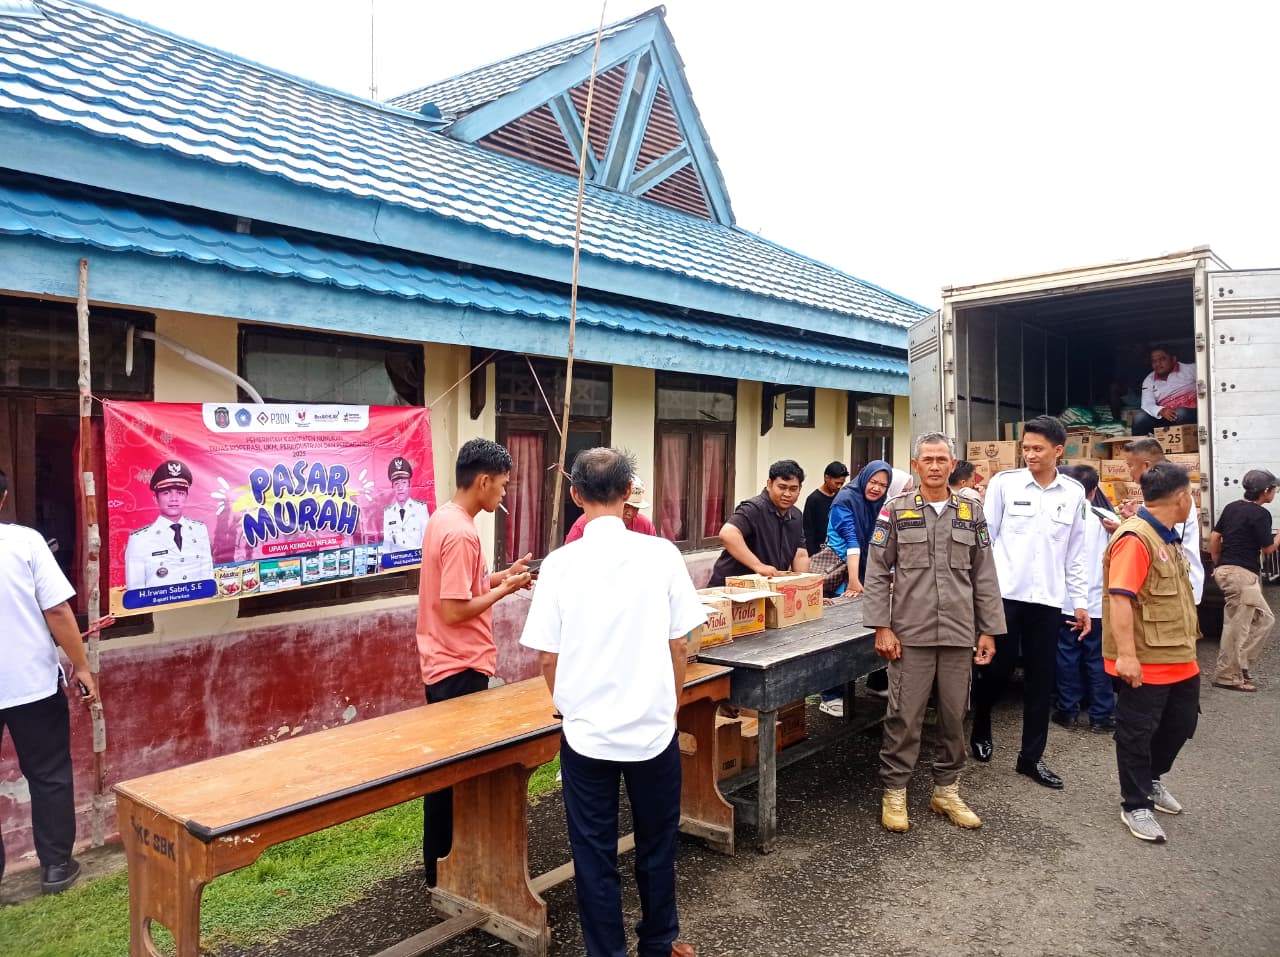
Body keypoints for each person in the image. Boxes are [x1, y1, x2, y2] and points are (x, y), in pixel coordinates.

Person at [520, 448, 705, 957]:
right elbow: (679, 645)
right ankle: (660, 940)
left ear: (575, 496)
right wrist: (669, 707)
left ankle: (607, 952)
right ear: (629, 494)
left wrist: (570, 708)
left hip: (587, 735)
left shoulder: (558, 565)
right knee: (656, 842)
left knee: (594, 853)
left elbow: (547, 659)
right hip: (652, 730)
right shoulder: (663, 554)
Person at [864, 434, 1004, 834]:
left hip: (960, 633)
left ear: (953, 462)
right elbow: (876, 571)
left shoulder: (970, 512)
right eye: (928, 459)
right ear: (916, 463)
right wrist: (882, 626)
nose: (936, 466)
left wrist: (989, 631)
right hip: (911, 633)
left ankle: (946, 789)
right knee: (904, 717)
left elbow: (985, 574)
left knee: (954, 715)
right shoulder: (895, 511)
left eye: (942, 459)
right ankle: (895, 791)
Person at [415, 439, 532, 886]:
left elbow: (462, 586)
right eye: (502, 486)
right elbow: (454, 610)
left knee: (448, 772)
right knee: (455, 775)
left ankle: (440, 866)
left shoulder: (444, 518)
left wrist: (502, 576)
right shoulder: (462, 531)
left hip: (442, 660)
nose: (504, 495)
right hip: (458, 664)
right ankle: (445, 868)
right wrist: (502, 592)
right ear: (483, 480)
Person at [971, 415, 1089, 789]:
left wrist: (1080, 602)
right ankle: (980, 727)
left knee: (1042, 680)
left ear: (1058, 450)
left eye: (1038, 449)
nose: (1030, 455)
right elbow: (984, 545)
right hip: (1005, 597)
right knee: (997, 671)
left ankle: (1030, 759)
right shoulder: (1005, 485)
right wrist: (981, 599)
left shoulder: (1073, 493)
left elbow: (1076, 554)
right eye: (1026, 448)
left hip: (1048, 601)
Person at [0, 468, 99, 894]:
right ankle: (57, 867)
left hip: (30, 683)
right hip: (30, 683)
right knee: (49, 774)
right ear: (3, 498)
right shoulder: (23, 542)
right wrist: (81, 667)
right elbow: (57, 612)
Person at [1103, 463, 1201, 843]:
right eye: (1190, 494)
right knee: (1136, 732)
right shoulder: (1136, 538)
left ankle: (1151, 779)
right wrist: (1127, 656)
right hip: (1146, 658)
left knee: (1181, 724)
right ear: (1180, 497)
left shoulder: (1167, 536)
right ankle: (1135, 804)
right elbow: (1121, 599)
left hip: (1179, 653)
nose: (1190, 501)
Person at [817, 460, 891, 715]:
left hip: (865, 570)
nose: (876, 488)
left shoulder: (880, 504)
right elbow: (851, 539)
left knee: (866, 633)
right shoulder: (845, 500)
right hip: (840, 575)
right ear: (864, 478)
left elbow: (881, 538)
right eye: (873, 482)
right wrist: (855, 581)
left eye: (882, 484)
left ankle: (868, 684)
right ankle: (830, 695)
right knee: (835, 640)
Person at [1052, 465, 1118, 732]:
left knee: (1066, 656)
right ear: (1094, 490)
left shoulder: (1059, 515)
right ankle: (1101, 716)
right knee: (1098, 659)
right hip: (1097, 605)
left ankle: (1067, 710)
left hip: (1067, 603)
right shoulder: (1107, 518)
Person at [1208, 469, 1279, 692]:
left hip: (1227, 570)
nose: (1275, 492)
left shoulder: (1231, 507)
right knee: (1236, 627)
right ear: (1265, 491)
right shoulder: (1261, 515)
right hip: (1242, 576)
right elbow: (1268, 548)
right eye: (1274, 489)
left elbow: (1215, 536)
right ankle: (1227, 676)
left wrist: (1218, 562)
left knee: (1265, 619)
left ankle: (1241, 663)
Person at [1121, 438, 1205, 604]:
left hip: (1179, 584)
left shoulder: (1172, 492)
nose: (1129, 472)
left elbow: (1165, 536)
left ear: (1146, 466)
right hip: (1168, 585)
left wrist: (1123, 527)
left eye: (1130, 465)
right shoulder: (1159, 491)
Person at [706, 460, 810, 587]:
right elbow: (728, 533)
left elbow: (800, 555)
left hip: (766, 590)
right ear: (769, 484)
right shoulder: (754, 508)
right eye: (782, 487)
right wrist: (758, 566)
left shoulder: (796, 516)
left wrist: (806, 588)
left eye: (793, 489)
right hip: (731, 589)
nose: (787, 494)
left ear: (800, 489)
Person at [124, 460, 214, 589]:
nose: (174, 499)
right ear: (155, 498)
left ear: (186, 497)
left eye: (180, 493)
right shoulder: (139, 539)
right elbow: (135, 590)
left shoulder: (199, 530)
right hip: (160, 607)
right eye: (166, 493)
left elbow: (207, 576)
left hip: (197, 605)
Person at [565, 478, 657, 543]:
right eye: (627, 506)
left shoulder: (645, 525)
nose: (630, 513)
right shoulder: (583, 525)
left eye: (636, 508)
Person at [1132, 346, 1197, 436]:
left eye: (1162, 359)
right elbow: (1147, 404)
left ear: (1173, 359)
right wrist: (1161, 411)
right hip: (1164, 417)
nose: (1158, 364)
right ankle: (1138, 448)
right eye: (1154, 361)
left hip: (1188, 415)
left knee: (1181, 413)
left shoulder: (1192, 369)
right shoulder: (1149, 380)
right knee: (1139, 418)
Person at [382, 456, 431, 553]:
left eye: (404, 483)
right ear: (392, 487)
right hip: (396, 565)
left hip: (418, 564)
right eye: (396, 484)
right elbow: (387, 545)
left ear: (409, 485)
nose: (400, 487)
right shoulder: (388, 512)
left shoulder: (421, 508)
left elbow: (427, 540)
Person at [802, 461, 849, 555]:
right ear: (826, 478)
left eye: (842, 483)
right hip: (818, 551)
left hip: (838, 550)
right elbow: (808, 531)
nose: (839, 486)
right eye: (837, 483)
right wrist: (810, 555)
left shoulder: (840, 497)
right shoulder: (813, 499)